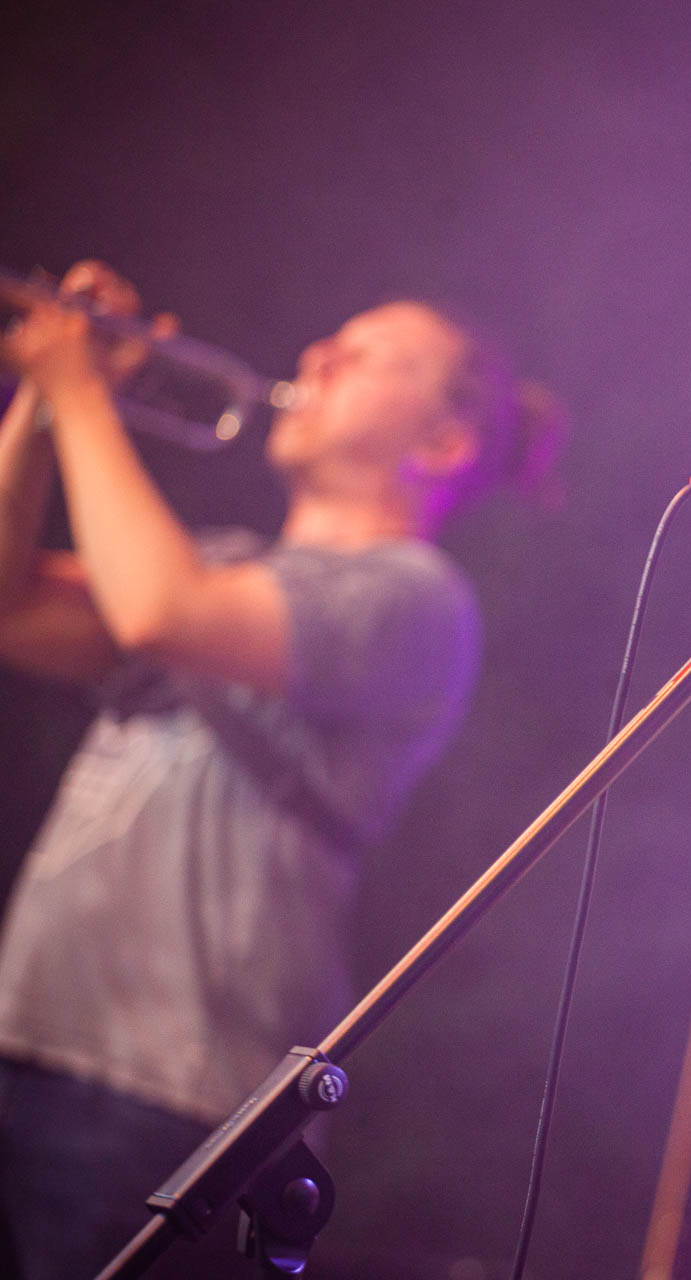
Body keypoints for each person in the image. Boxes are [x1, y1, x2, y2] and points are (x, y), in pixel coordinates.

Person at [0, 262, 560, 1279]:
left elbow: (159, 613)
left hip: (171, 1106)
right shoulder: (211, 556)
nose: (319, 354)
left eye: (367, 353)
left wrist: (81, 394)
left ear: (440, 443)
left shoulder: (417, 600)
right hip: (26, 1040)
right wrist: (42, 406)